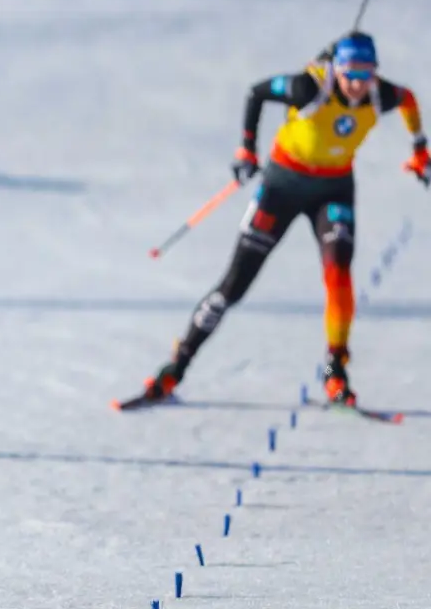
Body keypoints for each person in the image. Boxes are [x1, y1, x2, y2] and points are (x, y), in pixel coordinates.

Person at [131, 32, 426, 407]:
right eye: (351, 72)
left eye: (367, 73)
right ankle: (175, 367)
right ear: (338, 69)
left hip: (333, 189)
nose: (357, 83)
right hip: (282, 186)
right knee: (234, 284)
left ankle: (336, 370)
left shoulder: (379, 94)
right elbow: (257, 92)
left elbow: (409, 100)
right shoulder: (308, 87)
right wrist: (246, 149)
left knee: (338, 273)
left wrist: (420, 149)